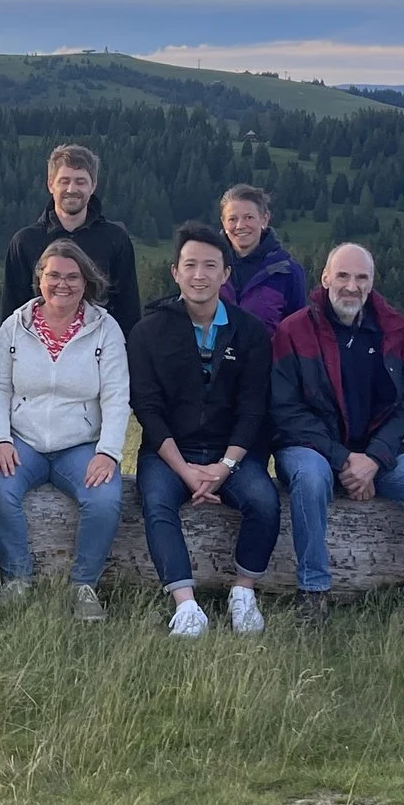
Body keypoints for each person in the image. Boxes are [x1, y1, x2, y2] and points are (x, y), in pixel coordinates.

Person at [268, 242, 404, 621]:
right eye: (342, 275)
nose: (351, 286)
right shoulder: (293, 331)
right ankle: (313, 591)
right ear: (325, 278)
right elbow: (286, 411)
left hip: (377, 453)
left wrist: (374, 459)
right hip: (312, 449)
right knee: (310, 477)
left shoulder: (394, 330)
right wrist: (345, 460)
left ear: (372, 282)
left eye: (361, 278)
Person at [129, 222, 277, 638]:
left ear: (225, 274)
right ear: (175, 272)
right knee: (157, 503)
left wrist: (225, 467)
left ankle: (243, 592)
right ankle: (186, 607)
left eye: (210, 266)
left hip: (229, 451)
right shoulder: (148, 332)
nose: (200, 275)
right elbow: (147, 409)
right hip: (168, 451)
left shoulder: (250, 332)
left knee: (264, 501)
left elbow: (253, 408)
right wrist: (184, 470)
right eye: (190, 265)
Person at [0, 240, 131, 621]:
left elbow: (117, 396)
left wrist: (108, 452)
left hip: (80, 445)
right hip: (24, 441)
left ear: (86, 282)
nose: (62, 284)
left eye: (72, 277)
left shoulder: (105, 330)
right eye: (53, 275)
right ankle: (17, 579)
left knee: (105, 498)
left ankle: (83, 585)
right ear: (40, 279)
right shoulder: (14, 328)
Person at [2, 143, 142, 332]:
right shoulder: (25, 241)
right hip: (36, 345)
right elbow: (12, 311)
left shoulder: (115, 239)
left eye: (80, 182)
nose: (71, 189)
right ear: (50, 184)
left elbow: (128, 308)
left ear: (93, 185)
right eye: (64, 181)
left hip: (101, 344)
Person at [219, 184, 309, 330]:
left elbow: (299, 332)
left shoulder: (288, 272)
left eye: (248, 217)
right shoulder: (209, 268)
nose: (240, 225)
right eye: (232, 219)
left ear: (264, 219)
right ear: (223, 223)